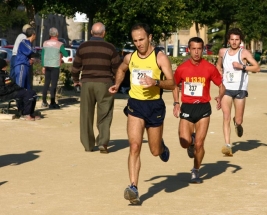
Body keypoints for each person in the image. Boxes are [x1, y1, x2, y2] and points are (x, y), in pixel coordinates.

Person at [108, 23, 175, 205]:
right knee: (135, 146)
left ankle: (161, 146)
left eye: (142, 39)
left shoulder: (159, 57)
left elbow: (172, 83)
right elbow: (121, 69)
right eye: (135, 40)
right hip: (135, 105)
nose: (139, 43)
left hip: (154, 106)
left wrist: (155, 82)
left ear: (150, 37)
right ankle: (133, 188)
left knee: (154, 151)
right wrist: (117, 84)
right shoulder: (130, 57)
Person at [172, 37, 225, 183]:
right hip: (187, 108)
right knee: (184, 142)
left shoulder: (209, 67)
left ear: (203, 50)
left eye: (199, 49)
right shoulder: (182, 68)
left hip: (203, 108)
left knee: (200, 144)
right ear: (189, 50)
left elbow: (221, 85)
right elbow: (174, 85)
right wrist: (176, 103)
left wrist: (220, 97)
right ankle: (191, 142)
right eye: (193, 49)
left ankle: (196, 170)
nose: (196, 52)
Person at [71, 22, 121, 153]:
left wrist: (76, 80)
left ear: (91, 33)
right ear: (103, 33)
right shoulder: (110, 48)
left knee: (86, 114)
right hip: (105, 83)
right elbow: (118, 67)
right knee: (105, 114)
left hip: (87, 83)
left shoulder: (83, 47)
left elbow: (75, 66)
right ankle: (103, 142)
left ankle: (88, 145)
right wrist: (117, 82)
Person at [216, 28, 261, 156]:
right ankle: (228, 145)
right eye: (232, 39)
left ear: (240, 40)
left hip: (240, 89)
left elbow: (257, 68)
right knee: (226, 116)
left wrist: (242, 66)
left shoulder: (244, 53)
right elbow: (218, 65)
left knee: (239, 119)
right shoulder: (222, 52)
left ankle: (238, 123)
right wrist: (219, 72)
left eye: (237, 40)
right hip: (226, 89)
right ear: (228, 40)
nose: (234, 42)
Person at [41, 27, 69, 109]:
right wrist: (61, 54)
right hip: (55, 65)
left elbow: (42, 55)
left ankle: (44, 101)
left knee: (46, 83)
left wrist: (43, 66)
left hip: (46, 65)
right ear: (57, 34)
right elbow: (66, 54)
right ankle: (52, 103)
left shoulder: (45, 43)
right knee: (53, 84)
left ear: (49, 34)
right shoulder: (59, 44)